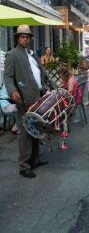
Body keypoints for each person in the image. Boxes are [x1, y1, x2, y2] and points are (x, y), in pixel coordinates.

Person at [4, 24, 48, 178]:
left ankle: (35, 160)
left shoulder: (33, 54)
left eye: (27, 36)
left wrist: (48, 86)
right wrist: (13, 91)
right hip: (23, 98)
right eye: (22, 36)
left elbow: (41, 74)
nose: (25, 39)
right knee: (24, 133)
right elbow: (8, 77)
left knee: (36, 129)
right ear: (18, 38)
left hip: (38, 98)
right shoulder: (12, 55)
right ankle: (24, 166)